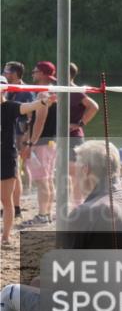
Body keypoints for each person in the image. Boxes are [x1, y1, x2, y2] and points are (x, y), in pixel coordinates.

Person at [1, 140, 122, 311]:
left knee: (10, 294)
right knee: (37, 283)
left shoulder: (85, 213)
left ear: (86, 170)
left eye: (76, 166)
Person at [1, 81, 53, 246]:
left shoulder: (9, 107)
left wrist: (44, 101)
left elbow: (30, 106)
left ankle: (6, 237)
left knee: (6, 200)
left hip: (6, 159)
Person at [22, 61, 59, 226]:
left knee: (42, 180)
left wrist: (30, 143)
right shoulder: (54, 92)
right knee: (48, 179)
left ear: (43, 74)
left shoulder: (43, 94)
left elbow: (40, 121)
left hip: (42, 142)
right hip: (52, 141)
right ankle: (48, 213)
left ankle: (43, 215)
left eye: (35, 71)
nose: (32, 74)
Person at [2, 61, 34, 221]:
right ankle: (11, 205)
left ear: (15, 73)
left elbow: (31, 117)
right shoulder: (10, 90)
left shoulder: (25, 91)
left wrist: (27, 141)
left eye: (7, 71)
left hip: (19, 136)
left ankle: (17, 206)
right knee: (14, 174)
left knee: (17, 174)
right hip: (9, 134)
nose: (5, 72)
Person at [66, 63, 99, 208]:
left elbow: (94, 106)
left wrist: (80, 123)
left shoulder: (75, 91)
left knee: (75, 174)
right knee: (67, 173)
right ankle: (74, 204)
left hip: (74, 136)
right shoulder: (60, 89)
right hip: (62, 137)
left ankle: (78, 206)